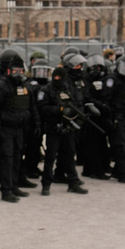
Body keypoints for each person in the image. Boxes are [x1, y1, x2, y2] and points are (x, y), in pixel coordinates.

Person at [0, 50, 38, 203]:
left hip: (19, 128)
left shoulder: (23, 86)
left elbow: (31, 106)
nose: (18, 73)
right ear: (8, 71)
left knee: (16, 157)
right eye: (15, 71)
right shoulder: (1, 86)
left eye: (21, 71)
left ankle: (14, 185)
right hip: (5, 129)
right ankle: (6, 190)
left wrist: (35, 123)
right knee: (6, 160)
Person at [36, 66, 89, 196]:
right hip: (54, 127)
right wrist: (59, 110)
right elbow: (42, 108)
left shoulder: (69, 89)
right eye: (55, 76)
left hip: (68, 127)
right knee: (50, 157)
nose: (57, 79)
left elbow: (77, 104)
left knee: (69, 155)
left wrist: (77, 117)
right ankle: (46, 184)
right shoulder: (46, 90)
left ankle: (73, 183)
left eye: (60, 77)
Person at [98, 52, 125, 184]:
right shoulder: (112, 80)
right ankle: (123, 174)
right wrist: (109, 118)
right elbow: (105, 100)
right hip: (117, 118)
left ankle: (118, 171)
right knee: (120, 146)